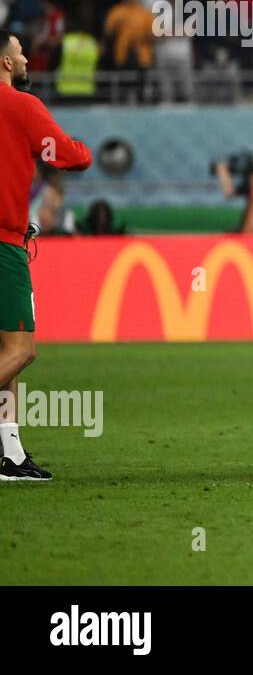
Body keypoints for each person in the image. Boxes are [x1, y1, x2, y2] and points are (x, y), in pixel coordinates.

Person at [0, 31, 94, 481]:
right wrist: (84, 150)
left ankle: (11, 455)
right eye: (19, 52)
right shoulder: (20, 105)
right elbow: (69, 157)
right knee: (20, 351)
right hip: (3, 246)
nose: (25, 60)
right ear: (4, 62)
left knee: (2, 353)